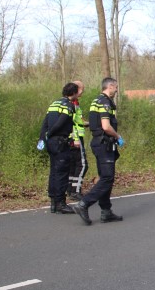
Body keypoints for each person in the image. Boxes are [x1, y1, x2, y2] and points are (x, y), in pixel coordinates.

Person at [71, 77, 123, 225]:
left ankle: (106, 211)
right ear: (110, 86)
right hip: (104, 144)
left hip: (98, 143)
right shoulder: (105, 102)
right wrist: (118, 136)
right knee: (107, 178)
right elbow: (106, 126)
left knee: (104, 177)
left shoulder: (96, 100)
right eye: (116, 87)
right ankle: (84, 204)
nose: (117, 90)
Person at [39, 83, 79, 214]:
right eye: (77, 92)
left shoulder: (54, 104)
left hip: (51, 143)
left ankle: (53, 203)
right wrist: (50, 133)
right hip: (60, 142)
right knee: (62, 173)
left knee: (54, 171)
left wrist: (43, 138)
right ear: (73, 93)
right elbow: (61, 122)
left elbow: (45, 123)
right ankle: (61, 203)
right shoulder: (68, 105)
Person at [67, 80, 89, 201]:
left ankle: (70, 189)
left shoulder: (74, 102)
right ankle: (75, 190)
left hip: (73, 138)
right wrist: (75, 138)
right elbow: (71, 123)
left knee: (74, 165)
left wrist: (88, 123)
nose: (82, 92)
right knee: (83, 165)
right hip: (75, 139)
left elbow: (78, 121)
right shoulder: (71, 104)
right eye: (82, 89)